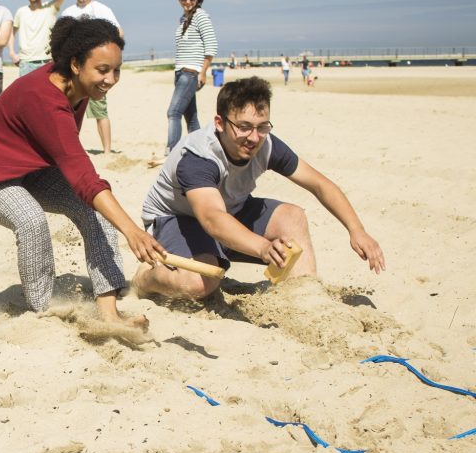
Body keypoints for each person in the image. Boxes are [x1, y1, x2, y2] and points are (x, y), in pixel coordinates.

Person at [0, 17, 165, 324]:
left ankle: (109, 313)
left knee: (97, 213)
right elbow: (81, 173)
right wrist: (132, 231)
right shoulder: (44, 97)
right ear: (76, 65)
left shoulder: (77, 87)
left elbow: (79, 175)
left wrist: (124, 226)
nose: (111, 79)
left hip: (31, 171)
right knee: (31, 220)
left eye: (116, 69)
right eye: (102, 70)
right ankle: (46, 310)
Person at [134, 76, 384, 300]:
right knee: (201, 284)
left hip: (232, 209)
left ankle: (304, 296)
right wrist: (263, 246)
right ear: (220, 123)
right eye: (243, 127)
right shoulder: (199, 157)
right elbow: (212, 219)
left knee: (293, 217)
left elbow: (319, 184)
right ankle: (146, 279)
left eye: (262, 127)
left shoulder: (266, 144)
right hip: (179, 218)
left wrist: (356, 230)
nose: (254, 138)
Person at [60, 0, 122, 154]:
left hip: (96, 70)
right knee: (69, 109)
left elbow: (118, 32)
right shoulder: (68, 13)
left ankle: (107, 151)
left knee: (100, 109)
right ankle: (69, 147)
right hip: (74, 69)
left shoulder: (102, 10)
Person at [160, 0, 217, 158]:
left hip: (191, 73)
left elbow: (211, 46)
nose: (188, 1)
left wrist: (203, 72)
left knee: (173, 112)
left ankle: (172, 153)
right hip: (181, 73)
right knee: (190, 117)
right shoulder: (184, 19)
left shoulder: (201, 16)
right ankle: (201, 152)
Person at [13, 0, 67, 77]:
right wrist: (12, 53)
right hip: (26, 63)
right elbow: (11, 33)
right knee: (26, 92)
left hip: (47, 62)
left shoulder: (50, 8)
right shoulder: (21, 11)